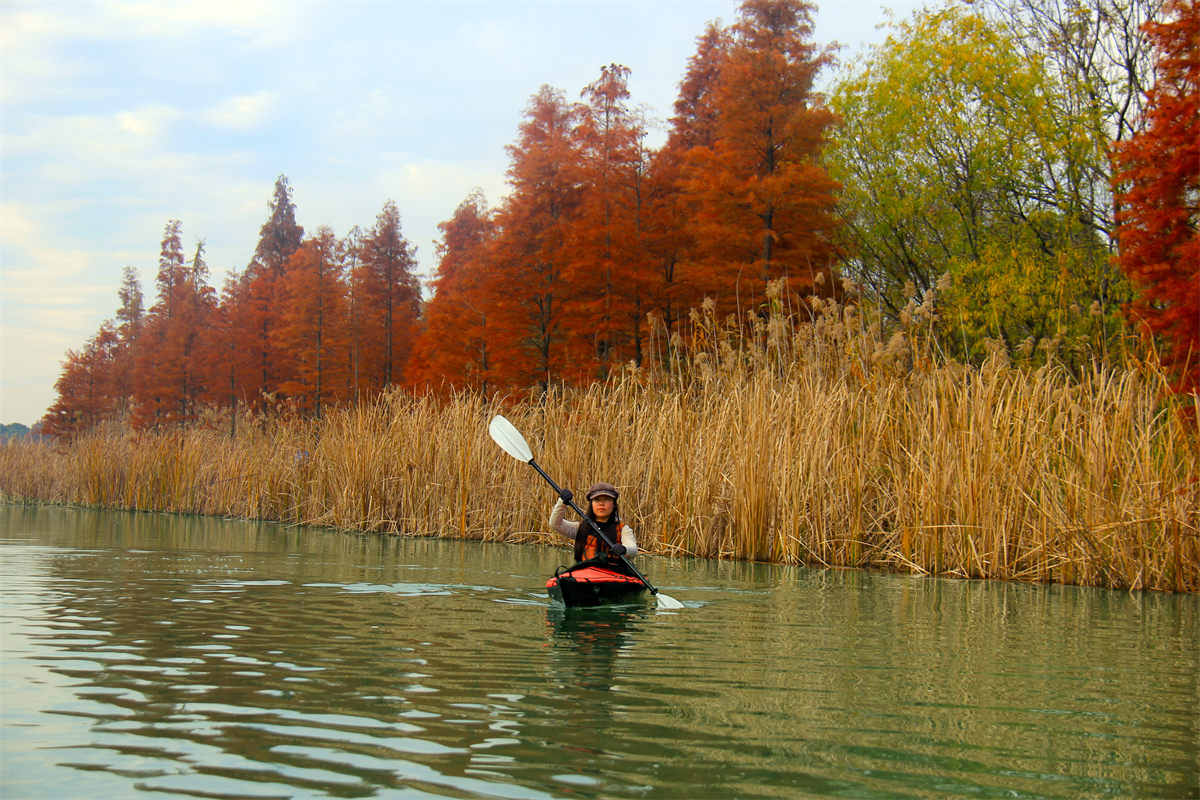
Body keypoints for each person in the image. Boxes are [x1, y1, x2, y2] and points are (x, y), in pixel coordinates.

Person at [549, 481, 638, 563]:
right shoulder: (580, 528)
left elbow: (633, 549)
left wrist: (624, 549)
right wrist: (562, 502)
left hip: (613, 573)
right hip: (585, 574)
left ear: (614, 504)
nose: (601, 503)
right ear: (591, 504)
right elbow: (555, 524)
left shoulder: (623, 529)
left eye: (606, 499)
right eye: (597, 500)